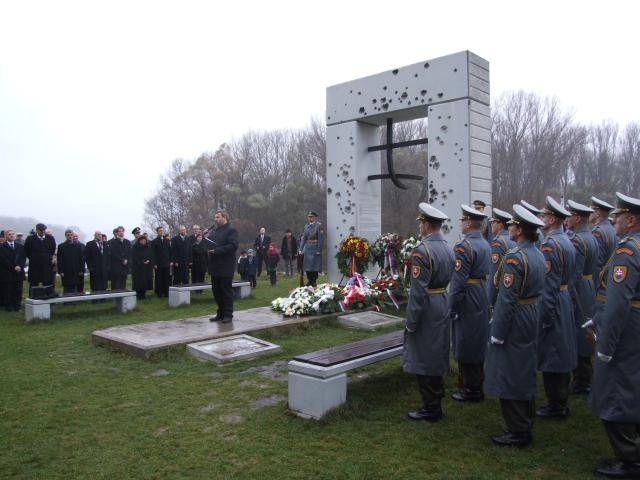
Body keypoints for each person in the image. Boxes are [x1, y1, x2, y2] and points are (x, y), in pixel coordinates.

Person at [485, 205, 546, 447]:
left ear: (520, 230)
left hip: (516, 316)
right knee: (524, 366)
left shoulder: (515, 257)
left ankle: (517, 429)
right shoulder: (537, 253)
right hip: (531, 312)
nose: (509, 228)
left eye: (512, 225)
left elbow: (507, 299)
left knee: (509, 371)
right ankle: (525, 420)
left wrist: (498, 333)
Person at [590, 192, 640, 479]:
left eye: (618, 216)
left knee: (616, 389)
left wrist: (605, 346)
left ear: (631, 220)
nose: (614, 221)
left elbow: (618, 303)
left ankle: (629, 459)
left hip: (627, 329)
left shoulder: (627, 252)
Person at [403, 203, 454, 422]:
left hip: (427, 306)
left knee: (424, 356)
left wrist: (411, 322)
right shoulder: (448, 247)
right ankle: (435, 400)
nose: (420, 226)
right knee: (437, 352)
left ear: (427, 225)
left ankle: (430, 406)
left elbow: (418, 292)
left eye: (421, 222)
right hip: (442, 300)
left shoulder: (422, 251)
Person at [536, 196, 576, 418]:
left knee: (553, 351)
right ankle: (560, 399)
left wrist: (545, 316)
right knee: (561, 349)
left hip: (555, 300)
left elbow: (549, 284)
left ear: (552, 219)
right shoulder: (566, 240)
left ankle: (556, 404)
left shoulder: (550, 245)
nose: (541, 218)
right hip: (564, 296)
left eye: (544, 215)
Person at [449, 204, 491, 402]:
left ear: (468, 223)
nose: (461, 223)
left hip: (468, 295)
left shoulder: (464, 246)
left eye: (462, 220)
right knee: (477, 337)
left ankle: (471, 388)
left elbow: (458, 282)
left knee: (466, 340)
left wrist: (452, 307)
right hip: (481, 291)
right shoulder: (485, 243)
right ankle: (477, 382)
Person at [566, 200, 599, 395]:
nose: (567, 219)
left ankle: (582, 380)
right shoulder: (591, 237)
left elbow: (574, 274)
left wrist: (570, 299)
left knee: (580, 332)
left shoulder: (578, 240)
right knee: (585, 330)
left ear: (578, 218)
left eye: (570, 216)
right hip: (589, 286)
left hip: (579, 289)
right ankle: (584, 376)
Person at [207, 210, 239, 323]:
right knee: (216, 291)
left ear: (224, 217)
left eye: (217, 217)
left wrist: (217, 251)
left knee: (226, 291)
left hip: (226, 266)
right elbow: (211, 244)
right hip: (215, 266)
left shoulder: (231, 230)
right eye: (215, 217)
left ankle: (228, 314)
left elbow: (233, 246)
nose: (215, 219)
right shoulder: (215, 231)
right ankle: (220, 313)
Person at [488, 208, 516, 307]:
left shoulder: (498, 242)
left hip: (501, 295)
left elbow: (494, 275)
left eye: (493, 222)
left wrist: (490, 301)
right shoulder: (514, 239)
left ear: (500, 225)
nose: (491, 224)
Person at [590, 196, 617, 286]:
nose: (589, 214)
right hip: (610, 279)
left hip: (600, 282)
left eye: (591, 211)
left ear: (597, 213)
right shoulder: (612, 229)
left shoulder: (597, 232)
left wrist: (594, 286)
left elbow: (596, 263)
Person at [23, 223, 56, 294]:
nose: (42, 231)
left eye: (44, 230)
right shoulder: (30, 239)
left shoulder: (50, 238)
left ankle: (48, 297)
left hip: (46, 265)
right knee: (33, 283)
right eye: (41, 230)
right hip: (35, 265)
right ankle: (32, 297)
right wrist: (34, 258)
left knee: (47, 283)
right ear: (37, 230)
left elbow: (52, 250)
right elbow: (26, 251)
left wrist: (46, 257)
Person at [0, 229, 27, 312]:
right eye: (9, 234)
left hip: (18, 272)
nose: (11, 235)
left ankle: (17, 306)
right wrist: (13, 267)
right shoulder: (1, 247)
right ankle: (8, 306)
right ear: (5, 236)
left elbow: (23, 257)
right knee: (7, 290)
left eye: (13, 234)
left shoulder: (20, 246)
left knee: (18, 290)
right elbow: (3, 259)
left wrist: (20, 266)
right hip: (7, 272)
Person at [57, 229, 86, 294]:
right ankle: (67, 299)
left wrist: (82, 270)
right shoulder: (61, 246)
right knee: (67, 287)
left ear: (73, 236)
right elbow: (60, 260)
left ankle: (76, 298)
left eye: (71, 235)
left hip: (76, 270)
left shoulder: (78, 246)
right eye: (68, 235)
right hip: (66, 270)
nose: (69, 236)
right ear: (65, 236)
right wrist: (61, 271)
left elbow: (81, 259)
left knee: (76, 287)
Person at [300, 211, 324, 287]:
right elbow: (304, 238)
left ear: (315, 217)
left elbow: (321, 239)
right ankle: (309, 280)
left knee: (314, 265)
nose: (310, 218)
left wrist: (319, 250)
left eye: (311, 217)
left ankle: (313, 281)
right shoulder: (306, 226)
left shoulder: (319, 225)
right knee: (307, 266)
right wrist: (300, 249)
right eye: (309, 217)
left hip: (315, 247)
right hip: (307, 248)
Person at [108, 226, 131, 290]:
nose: (121, 232)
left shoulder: (127, 242)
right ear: (117, 233)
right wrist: (122, 260)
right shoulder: (113, 242)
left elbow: (129, 252)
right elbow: (114, 253)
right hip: (116, 266)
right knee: (116, 283)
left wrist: (127, 260)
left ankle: (123, 294)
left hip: (125, 266)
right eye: (119, 231)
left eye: (122, 231)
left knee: (123, 282)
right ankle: (116, 295)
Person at [151, 227, 171, 297]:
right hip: (158, 263)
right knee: (159, 279)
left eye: (162, 230)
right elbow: (153, 254)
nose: (161, 232)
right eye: (160, 231)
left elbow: (169, 251)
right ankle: (159, 293)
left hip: (166, 262)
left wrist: (171, 261)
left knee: (166, 278)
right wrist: (154, 263)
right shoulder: (154, 242)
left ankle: (166, 292)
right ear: (157, 232)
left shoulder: (167, 241)